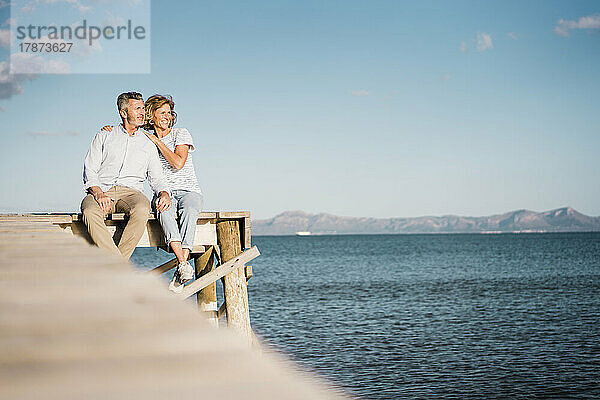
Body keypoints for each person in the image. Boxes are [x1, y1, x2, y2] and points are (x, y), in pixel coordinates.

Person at [102, 95, 203, 293]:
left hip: (189, 191)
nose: (167, 116)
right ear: (152, 116)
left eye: (169, 113)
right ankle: (183, 264)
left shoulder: (180, 134)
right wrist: (110, 131)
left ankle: (182, 265)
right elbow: (127, 133)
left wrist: (157, 141)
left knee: (190, 210)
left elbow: (177, 162)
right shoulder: (144, 139)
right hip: (165, 193)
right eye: (162, 113)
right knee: (163, 211)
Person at [82, 92, 171, 260]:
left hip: (132, 193)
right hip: (102, 191)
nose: (142, 112)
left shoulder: (148, 143)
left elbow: (157, 177)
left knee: (142, 209)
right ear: (123, 113)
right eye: (137, 108)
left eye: (143, 108)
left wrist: (164, 193)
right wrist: (98, 193)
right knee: (88, 211)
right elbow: (90, 169)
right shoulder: (104, 135)